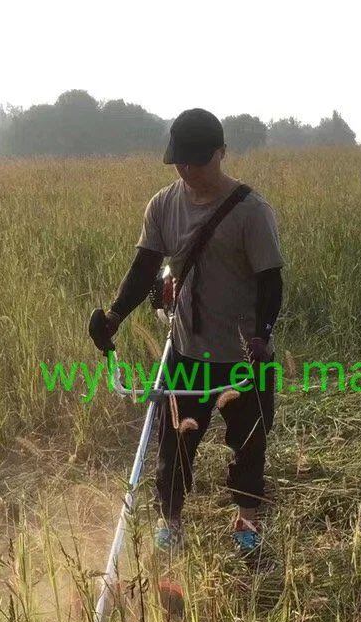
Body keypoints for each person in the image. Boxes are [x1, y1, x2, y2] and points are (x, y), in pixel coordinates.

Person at [89, 108, 284, 562]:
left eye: (198, 160)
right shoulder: (163, 205)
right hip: (186, 351)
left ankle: (247, 524)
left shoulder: (251, 211)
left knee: (249, 442)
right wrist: (115, 315)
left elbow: (271, 280)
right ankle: (170, 524)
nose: (188, 170)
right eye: (180, 161)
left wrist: (261, 335)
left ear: (221, 153)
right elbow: (143, 268)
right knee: (173, 446)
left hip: (242, 355)